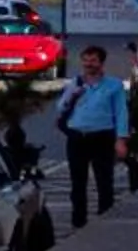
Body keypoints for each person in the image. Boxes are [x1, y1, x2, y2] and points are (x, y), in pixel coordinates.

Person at [53, 46, 131, 228]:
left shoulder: (114, 85)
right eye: (86, 60)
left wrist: (121, 140)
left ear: (101, 63)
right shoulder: (75, 83)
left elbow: (121, 113)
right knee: (77, 182)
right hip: (77, 137)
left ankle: (105, 218)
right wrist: (73, 95)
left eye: (93, 61)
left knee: (104, 180)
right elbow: (60, 108)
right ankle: (78, 221)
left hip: (102, 136)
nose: (89, 65)